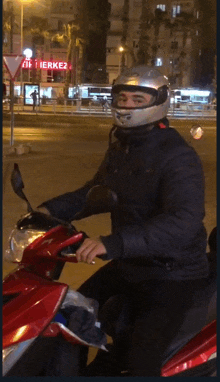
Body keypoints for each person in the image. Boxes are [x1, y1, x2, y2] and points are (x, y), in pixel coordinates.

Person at [38, 65, 209, 376]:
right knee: (67, 310)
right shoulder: (122, 146)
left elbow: (183, 221)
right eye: (123, 97)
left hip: (173, 272)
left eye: (138, 99)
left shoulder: (177, 155)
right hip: (132, 263)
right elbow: (95, 192)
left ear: (158, 102)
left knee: (141, 360)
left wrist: (111, 243)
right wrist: (47, 212)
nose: (128, 105)